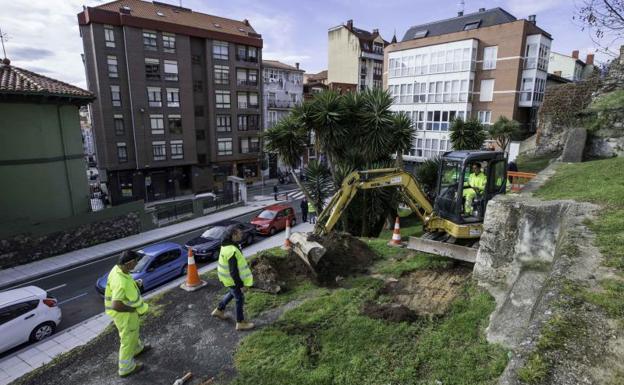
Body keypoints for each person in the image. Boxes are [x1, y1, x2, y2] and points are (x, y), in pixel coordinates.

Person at [104, 250, 150, 377]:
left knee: (133, 333)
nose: (137, 264)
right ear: (129, 263)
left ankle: (137, 349)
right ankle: (126, 368)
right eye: (136, 262)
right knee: (127, 340)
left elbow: (124, 288)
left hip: (125, 315)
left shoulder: (118, 270)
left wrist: (135, 284)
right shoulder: (120, 281)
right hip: (125, 315)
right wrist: (132, 310)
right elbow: (116, 305)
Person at [211, 227, 255, 330]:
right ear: (233, 235)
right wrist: (241, 285)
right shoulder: (232, 250)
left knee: (232, 293)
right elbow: (233, 272)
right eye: (239, 233)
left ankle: (219, 310)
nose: (241, 235)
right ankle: (240, 323)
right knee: (239, 298)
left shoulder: (226, 245)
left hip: (225, 277)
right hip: (232, 279)